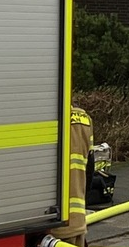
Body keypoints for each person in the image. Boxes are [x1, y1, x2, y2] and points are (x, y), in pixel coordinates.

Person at [49, 105, 94, 247]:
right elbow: (89, 170)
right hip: (76, 222)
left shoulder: (44, 117)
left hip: (49, 226)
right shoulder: (84, 119)